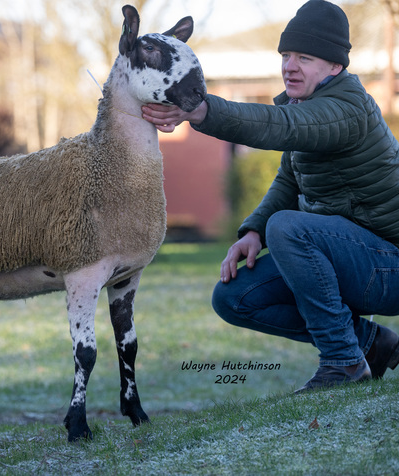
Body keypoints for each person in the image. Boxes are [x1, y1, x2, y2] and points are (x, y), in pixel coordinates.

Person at [142, 0, 399, 392]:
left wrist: (201, 110)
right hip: (349, 260)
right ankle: (369, 345)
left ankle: (343, 362)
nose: (289, 66)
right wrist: (254, 232)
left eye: (305, 57)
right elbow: (288, 182)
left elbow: (278, 126)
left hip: (389, 266)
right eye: (286, 55)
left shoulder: (346, 109)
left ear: (335, 66)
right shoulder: (305, 103)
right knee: (234, 297)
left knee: (291, 228)